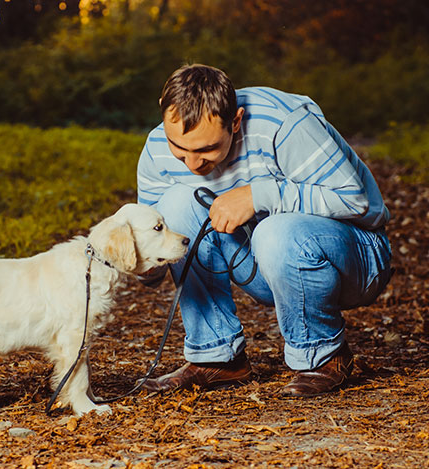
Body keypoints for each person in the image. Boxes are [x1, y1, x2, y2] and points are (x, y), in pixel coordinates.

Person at [136, 64, 392, 396]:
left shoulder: (284, 124)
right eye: (180, 148)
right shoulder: (157, 148)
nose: (192, 164)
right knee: (174, 205)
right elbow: (151, 250)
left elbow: (355, 200)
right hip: (266, 266)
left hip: (356, 258)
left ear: (236, 121)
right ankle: (217, 358)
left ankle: (323, 358)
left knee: (275, 230)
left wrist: (259, 195)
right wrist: (141, 262)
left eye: (206, 150)